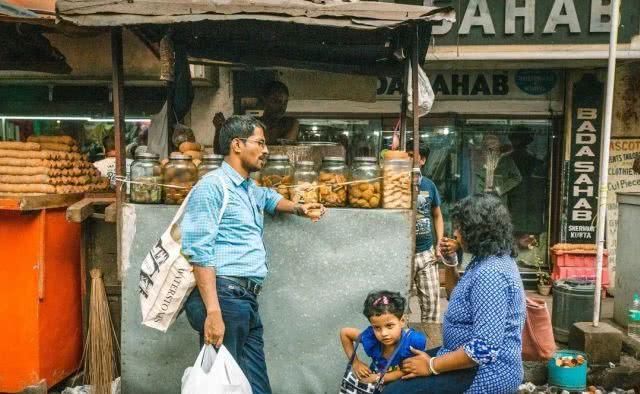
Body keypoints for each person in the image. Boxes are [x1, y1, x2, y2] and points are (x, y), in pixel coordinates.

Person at [180, 115, 325, 394]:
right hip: (224, 297)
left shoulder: (247, 188)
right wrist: (213, 312)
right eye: (259, 143)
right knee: (225, 387)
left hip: (244, 300)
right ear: (237, 145)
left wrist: (299, 208)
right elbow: (199, 252)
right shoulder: (213, 187)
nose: (266, 150)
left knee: (255, 387)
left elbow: (269, 198)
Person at [383, 193, 526, 394]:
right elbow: (453, 294)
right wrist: (450, 262)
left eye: (461, 228)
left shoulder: (491, 274)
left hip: (486, 373)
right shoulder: (487, 259)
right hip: (461, 357)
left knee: (393, 392)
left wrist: (431, 365)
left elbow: (483, 349)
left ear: (479, 231)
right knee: (401, 365)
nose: (456, 234)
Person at [340, 291, 427, 386]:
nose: (384, 333)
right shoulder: (371, 337)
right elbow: (345, 333)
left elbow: (415, 368)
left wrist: (379, 378)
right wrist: (355, 363)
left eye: (389, 326)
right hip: (374, 385)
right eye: (377, 327)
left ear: (402, 321)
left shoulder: (413, 341)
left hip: (401, 385)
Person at [410, 145, 444, 342]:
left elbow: (437, 215)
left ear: (422, 160)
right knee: (398, 308)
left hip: (426, 252)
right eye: (406, 158)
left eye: (413, 158)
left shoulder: (429, 186)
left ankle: (430, 348)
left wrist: (439, 242)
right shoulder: (395, 184)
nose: (409, 163)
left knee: (431, 305)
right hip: (401, 255)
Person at [213, 81, 299, 153]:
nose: (282, 107)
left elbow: (285, 151)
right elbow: (222, 152)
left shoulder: (290, 123)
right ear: (264, 100)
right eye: (276, 101)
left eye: (285, 102)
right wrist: (219, 129)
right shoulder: (250, 125)